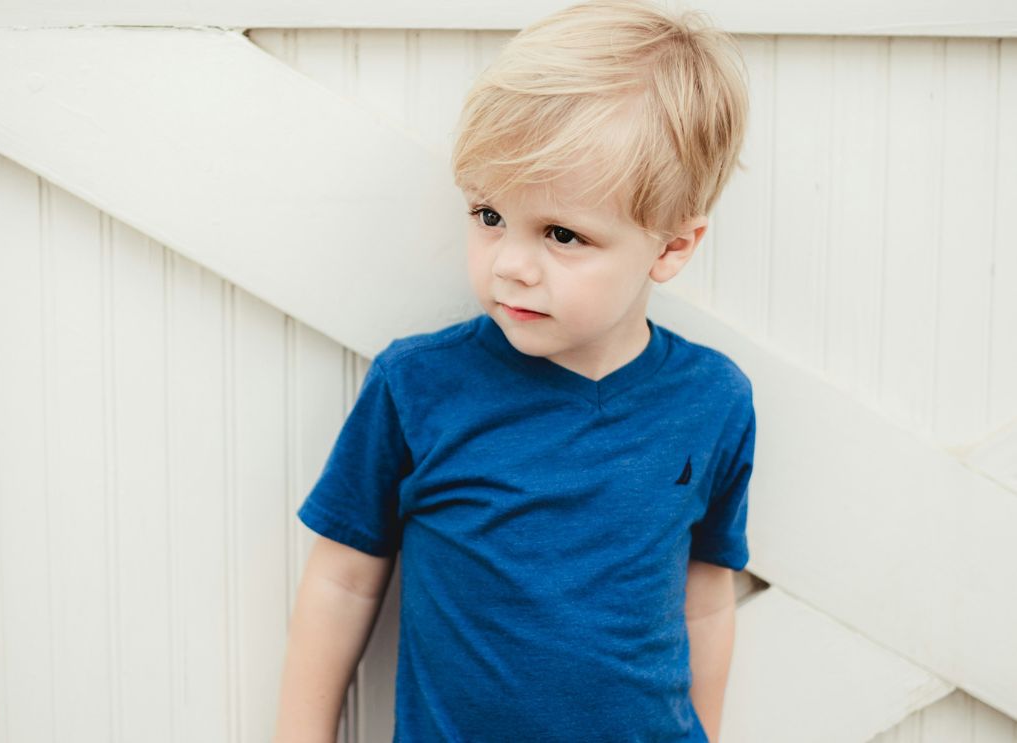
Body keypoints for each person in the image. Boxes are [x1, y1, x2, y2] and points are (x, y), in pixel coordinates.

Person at [274, 0, 754, 740]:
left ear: (670, 247)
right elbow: (342, 582)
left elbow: (707, 596)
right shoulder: (419, 386)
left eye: (561, 233)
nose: (509, 265)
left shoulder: (711, 399)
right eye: (489, 216)